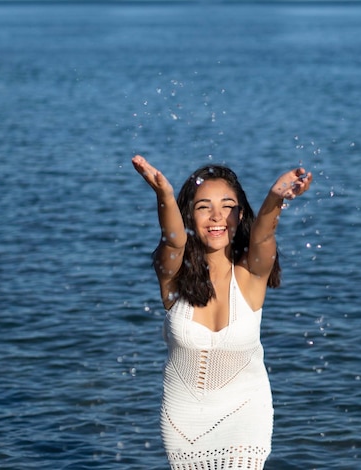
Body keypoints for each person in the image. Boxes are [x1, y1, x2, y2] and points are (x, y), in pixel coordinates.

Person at [132, 155, 312, 469]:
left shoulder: (251, 275)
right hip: (183, 422)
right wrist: (163, 195)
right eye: (203, 207)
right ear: (188, 216)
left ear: (240, 215)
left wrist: (275, 198)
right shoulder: (173, 279)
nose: (217, 217)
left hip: (245, 415)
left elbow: (264, 236)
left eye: (228, 206)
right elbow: (173, 242)